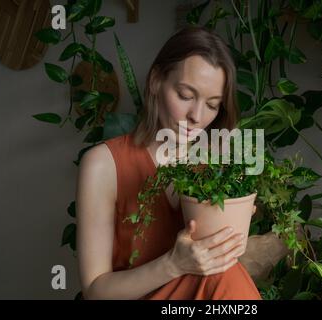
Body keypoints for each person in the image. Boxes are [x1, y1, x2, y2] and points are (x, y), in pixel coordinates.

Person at [76, 26, 262, 300]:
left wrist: (233, 226)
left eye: (212, 105)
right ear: (155, 81)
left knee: (225, 275)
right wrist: (173, 264)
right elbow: (94, 292)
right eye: (186, 96)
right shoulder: (102, 165)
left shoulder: (217, 162)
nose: (197, 116)